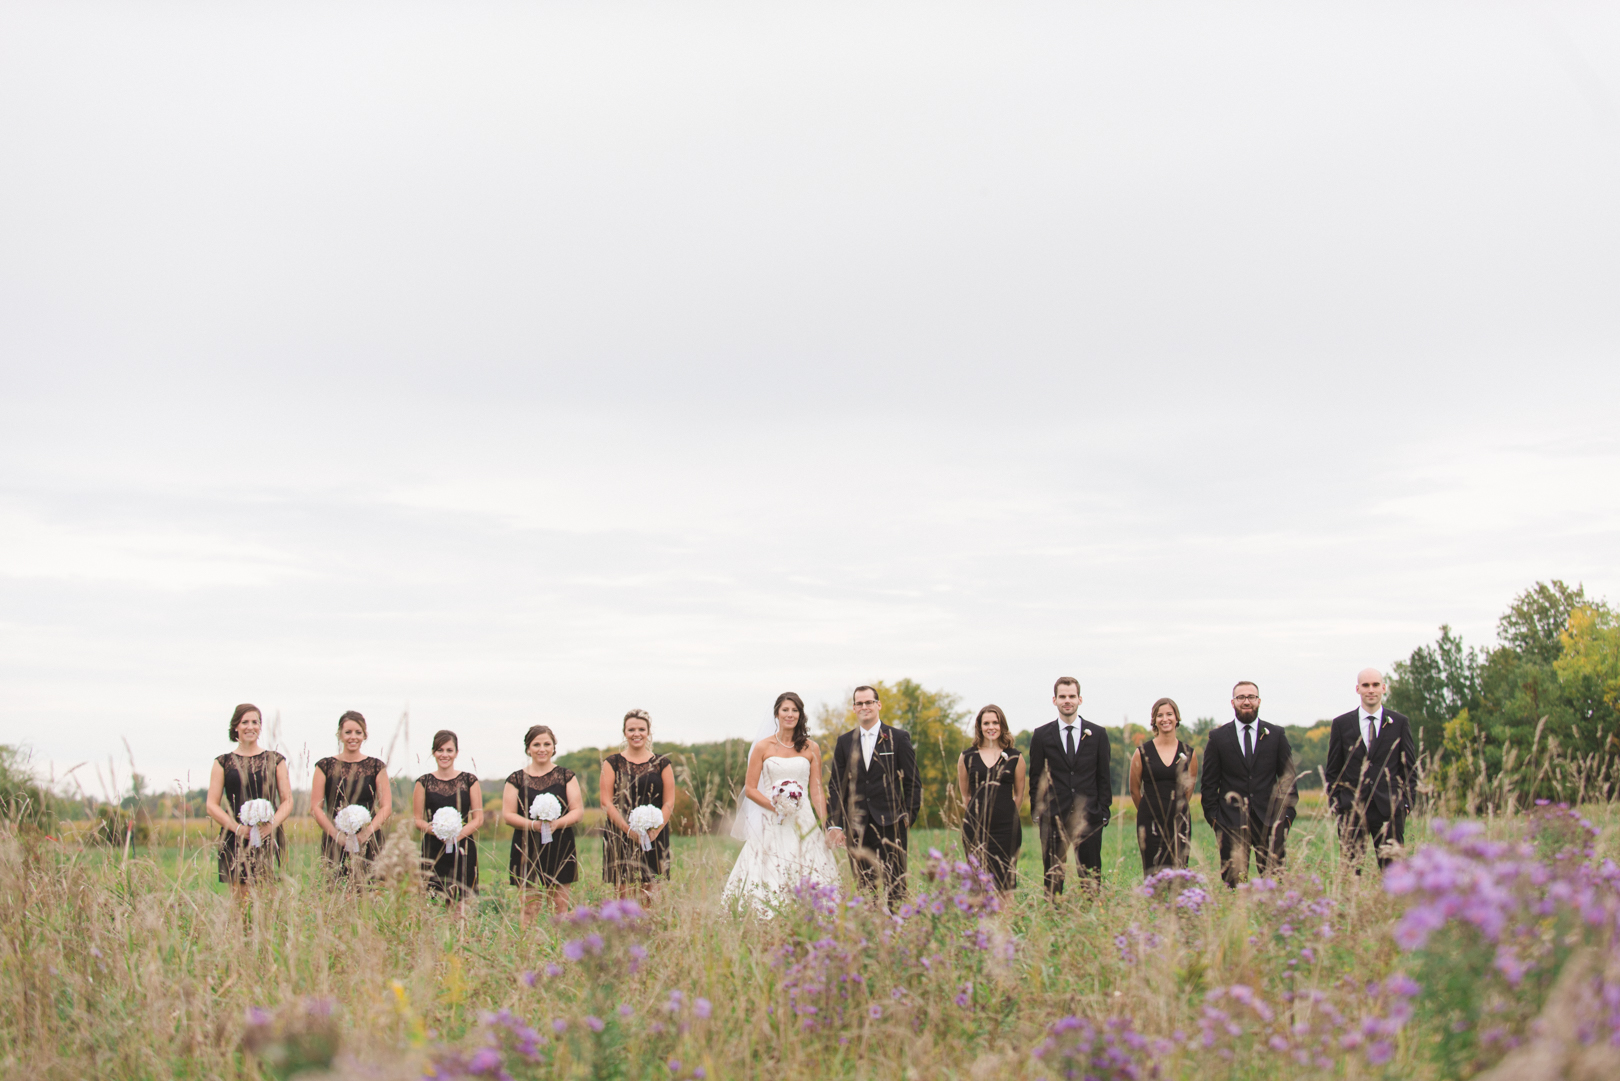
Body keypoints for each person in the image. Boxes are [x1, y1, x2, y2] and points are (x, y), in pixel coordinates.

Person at [723, 692, 840, 914]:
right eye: (785, 710)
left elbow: (815, 790)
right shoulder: (763, 747)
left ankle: (812, 912)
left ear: (800, 714)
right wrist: (776, 807)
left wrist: (827, 824)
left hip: (803, 819)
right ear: (777, 713)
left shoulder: (810, 748)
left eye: (794, 710)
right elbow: (750, 789)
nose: (790, 714)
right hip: (772, 819)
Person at [826, 685, 921, 909]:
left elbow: (912, 782)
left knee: (896, 885)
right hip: (857, 826)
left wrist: (908, 816)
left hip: (891, 824)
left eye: (869, 702)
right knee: (864, 888)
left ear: (878, 705)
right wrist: (836, 825)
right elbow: (836, 786)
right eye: (859, 703)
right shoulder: (844, 742)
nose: (864, 707)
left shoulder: (898, 738)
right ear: (853, 708)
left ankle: (897, 931)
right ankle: (870, 935)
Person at [1200, 681, 1298, 889]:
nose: (1246, 701)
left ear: (1258, 701)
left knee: (1273, 886)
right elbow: (1208, 784)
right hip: (1231, 824)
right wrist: (1216, 820)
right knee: (1236, 887)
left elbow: (1288, 779)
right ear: (1233, 702)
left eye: (1251, 697)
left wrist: (1287, 817)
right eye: (1241, 697)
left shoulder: (1276, 735)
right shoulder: (1218, 738)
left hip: (1270, 822)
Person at [1324, 668, 1417, 872]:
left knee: (1393, 874)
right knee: (1350, 873)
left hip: (1389, 810)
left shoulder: (1399, 723)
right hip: (1351, 810)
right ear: (1358, 689)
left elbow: (1409, 769)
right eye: (1366, 685)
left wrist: (1406, 804)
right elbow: (1333, 771)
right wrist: (1337, 803)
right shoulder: (1341, 724)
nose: (1371, 690)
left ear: (1384, 688)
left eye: (1375, 685)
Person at [1027, 677, 1111, 897]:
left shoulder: (1098, 734)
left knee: (1091, 882)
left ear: (1080, 699)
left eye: (1071, 696)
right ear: (1054, 700)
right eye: (1062, 696)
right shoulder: (1041, 736)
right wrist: (1038, 813)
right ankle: (1053, 922)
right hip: (1053, 818)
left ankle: (1092, 923)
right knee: (1053, 882)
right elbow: (1035, 778)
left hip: (1089, 818)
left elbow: (1104, 777)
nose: (1067, 701)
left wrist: (1103, 812)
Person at [206, 703, 293, 899]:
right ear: (236, 726)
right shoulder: (223, 762)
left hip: (269, 836)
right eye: (245, 722)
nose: (250, 727)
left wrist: (271, 827)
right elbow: (211, 805)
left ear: (260, 727)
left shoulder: (275, 760)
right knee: (241, 902)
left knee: (269, 900)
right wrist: (238, 829)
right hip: (235, 837)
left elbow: (287, 800)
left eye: (255, 722)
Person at [503, 725, 584, 924]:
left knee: (559, 906)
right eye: (536, 744)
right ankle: (528, 950)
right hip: (526, 844)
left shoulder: (566, 776)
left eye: (547, 744)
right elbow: (508, 815)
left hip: (560, 843)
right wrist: (533, 826)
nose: (542, 749)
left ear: (553, 748)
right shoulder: (516, 779)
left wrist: (557, 824)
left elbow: (578, 812)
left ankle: (559, 951)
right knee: (529, 906)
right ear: (528, 748)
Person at [600, 709, 677, 905]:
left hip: (655, 834)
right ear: (624, 732)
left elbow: (669, 802)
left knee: (650, 895)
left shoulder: (662, 763)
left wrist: (656, 830)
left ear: (648, 732)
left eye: (641, 729)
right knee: (624, 895)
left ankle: (651, 933)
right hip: (620, 833)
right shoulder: (612, 763)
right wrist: (628, 830)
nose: (637, 733)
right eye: (631, 729)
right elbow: (606, 802)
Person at [310, 710, 391, 880]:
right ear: (339, 735)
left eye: (358, 732)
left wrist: (366, 833)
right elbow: (316, 808)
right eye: (348, 732)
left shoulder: (376, 766)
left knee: (369, 892)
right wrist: (337, 836)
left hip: (369, 839)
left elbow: (386, 807)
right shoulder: (324, 766)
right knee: (337, 889)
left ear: (364, 735)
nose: (352, 737)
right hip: (335, 838)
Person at [956, 704, 1026, 895]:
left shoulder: (1015, 757)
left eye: (995, 722)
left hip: (1007, 830)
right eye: (986, 723)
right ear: (979, 726)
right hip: (975, 828)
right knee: (978, 881)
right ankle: (982, 923)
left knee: (1006, 882)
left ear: (1002, 725)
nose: (991, 727)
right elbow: (965, 795)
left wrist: (1008, 815)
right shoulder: (967, 757)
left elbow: (1019, 794)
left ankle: (1005, 924)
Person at [412, 730, 483, 911]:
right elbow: (418, 820)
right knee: (433, 905)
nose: (444, 755)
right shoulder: (423, 782)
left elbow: (478, 819)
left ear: (456, 753)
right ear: (434, 752)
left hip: (463, 849)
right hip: (433, 850)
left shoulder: (469, 780)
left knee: (460, 907)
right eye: (440, 750)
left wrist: (456, 835)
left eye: (449, 750)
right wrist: (438, 831)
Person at [1128, 698, 1196, 874]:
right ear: (1154, 720)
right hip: (1149, 822)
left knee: (1179, 873)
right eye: (1160, 715)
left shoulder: (1188, 753)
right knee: (1152, 873)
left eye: (1169, 714)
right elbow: (1135, 791)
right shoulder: (1142, 752)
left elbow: (1189, 788)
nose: (1165, 719)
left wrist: (1176, 806)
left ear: (1176, 718)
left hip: (1179, 821)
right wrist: (1148, 810)